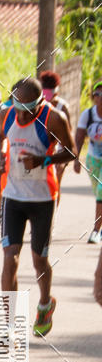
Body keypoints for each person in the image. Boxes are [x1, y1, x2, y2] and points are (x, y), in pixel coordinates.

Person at [0, 76, 77, 337]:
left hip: (42, 198)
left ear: (39, 104)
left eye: (27, 111)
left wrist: (43, 159)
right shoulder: (5, 115)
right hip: (13, 197)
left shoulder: (54, 119)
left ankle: (45, 303)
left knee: (39, 260)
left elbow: (72, 151)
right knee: (10, 258)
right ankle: (8, 326)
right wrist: (0, 157)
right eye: (18, 108)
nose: (22, 115)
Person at [74, 79, 102, 243]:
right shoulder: (88, 114)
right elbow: (79, 137)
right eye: (97, 94)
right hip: (93, 158)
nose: (100, 97)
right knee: (97, 191)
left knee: (101, 189)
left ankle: (96, 231)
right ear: (93, 97)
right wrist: (76, 159)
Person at [40, 70, 71, 201]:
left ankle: (52, 217)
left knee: (55, 183)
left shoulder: (62, 107)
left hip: (58, 151)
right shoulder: (38, 105)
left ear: (56, 93)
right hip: (42, 148)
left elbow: (68, 133)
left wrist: (63, 159)